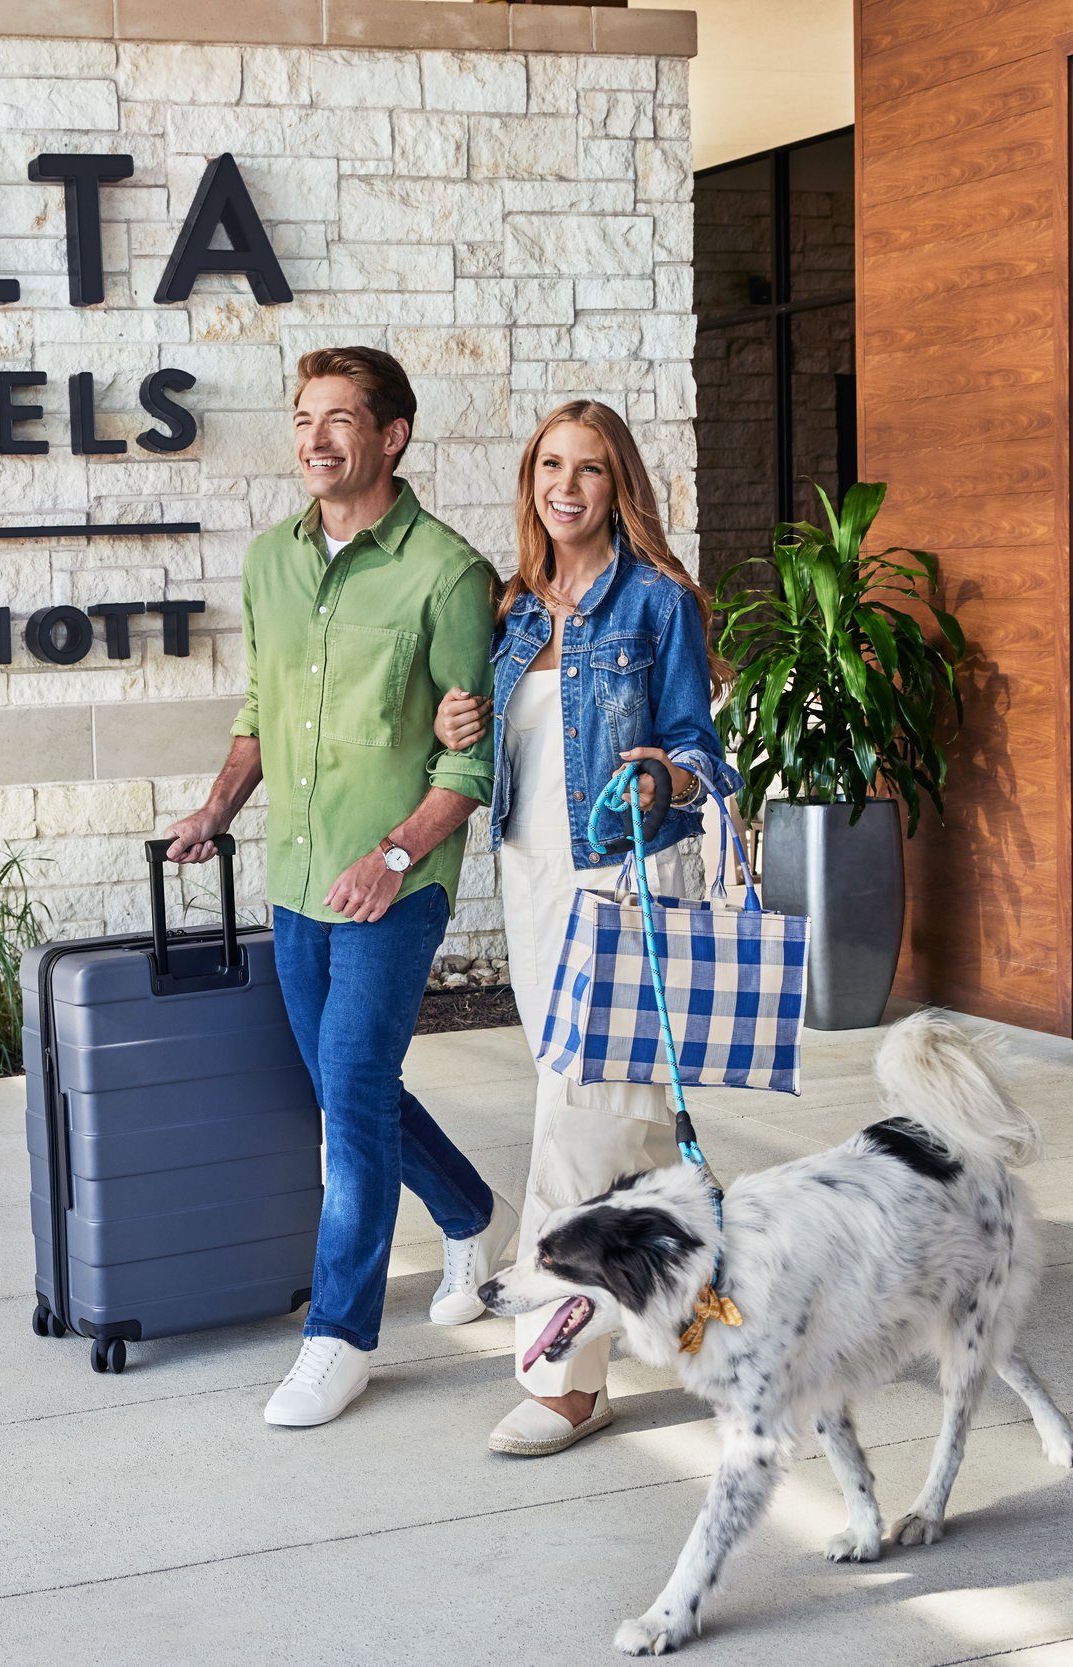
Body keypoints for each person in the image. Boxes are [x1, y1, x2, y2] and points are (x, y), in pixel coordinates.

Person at [163, 346, 513, 1429]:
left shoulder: (447, 574)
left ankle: (340, 1335)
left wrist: (396, 852)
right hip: (298, 877)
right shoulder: (270, 560)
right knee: (345, 1089)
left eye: (338, 418)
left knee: (350, 1094)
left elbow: (470, 759)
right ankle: (469, 1211)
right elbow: (259, 714)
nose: (313, 438)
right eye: (301, 417)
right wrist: (219, 805)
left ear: (391, 435)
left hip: (391, 884)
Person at [430, 399, 738, 1457]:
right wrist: (455, 724)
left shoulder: (655, 603)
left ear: (620, 488)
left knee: (582, 1117)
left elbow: (705, 755)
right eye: (550, 466)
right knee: (626, 1123)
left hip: (624, 884)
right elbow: (498, 748)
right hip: (531, 885)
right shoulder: (515, 612)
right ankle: (693, 1307)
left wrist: (663, 770)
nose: (566, 486)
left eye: (590, 469)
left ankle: (562, 1375)